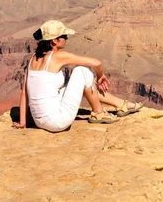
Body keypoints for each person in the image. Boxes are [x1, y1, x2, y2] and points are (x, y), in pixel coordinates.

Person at [12, 19, 142, 132]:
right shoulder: (58, 56)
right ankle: (98, 113)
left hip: (39, 122)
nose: (67, 39)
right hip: (57, 121)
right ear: (54, 41)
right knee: (82, 71)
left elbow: (24, 93)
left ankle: (120, 104)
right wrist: (100, 76)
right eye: (64, 36)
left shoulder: (32, 59)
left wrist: (23, 122)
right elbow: (97, 63)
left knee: (79, 82)